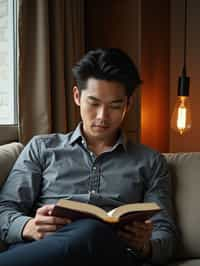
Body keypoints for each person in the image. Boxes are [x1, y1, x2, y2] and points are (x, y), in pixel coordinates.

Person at [0, 48, 177, 266]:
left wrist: (145, 245)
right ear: (77, 96)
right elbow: (4, 209)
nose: (102, 116)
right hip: (45, 250)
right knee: (88, 231)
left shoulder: (150, 162)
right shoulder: (41, 148)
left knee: (95, 231)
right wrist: (28, 226)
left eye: (115, 105)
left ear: (128, 105)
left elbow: (165, 235)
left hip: (111, 255)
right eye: (94, 103)